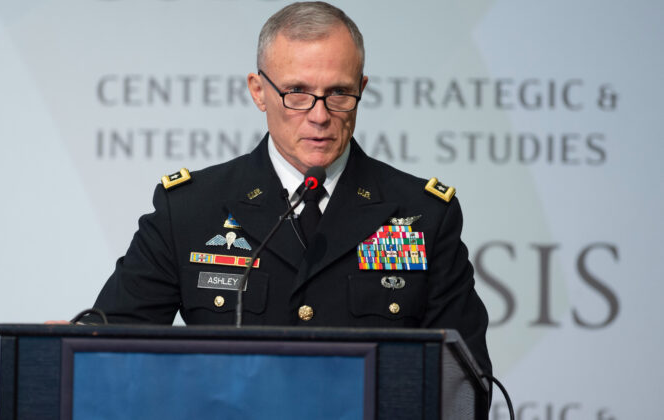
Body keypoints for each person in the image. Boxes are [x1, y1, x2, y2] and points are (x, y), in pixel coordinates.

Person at [85, 1, 492, 379]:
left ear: (361, 89)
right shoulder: (191, 209)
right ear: (259, 91)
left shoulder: (423, 213)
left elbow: (463, 379)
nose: (319, 115)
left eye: (339, 93)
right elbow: (111, 343)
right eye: (297, 92)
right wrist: (68, 344)